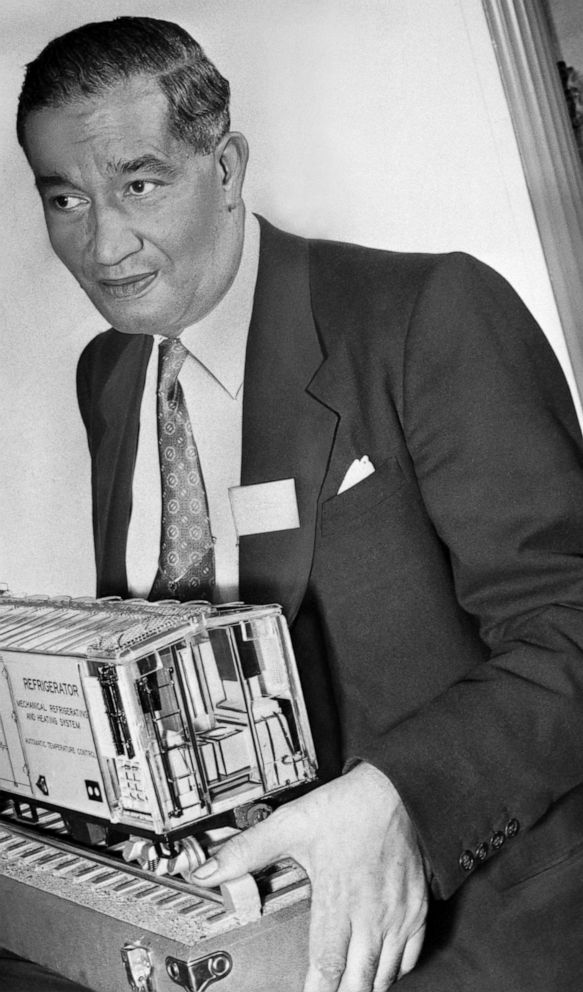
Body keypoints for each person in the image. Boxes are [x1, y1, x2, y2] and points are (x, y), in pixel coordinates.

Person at [11, 15, 583, 992]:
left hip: (484, 951)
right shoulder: (106, 378)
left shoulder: (426, 312)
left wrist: (404, 796)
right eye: (65, 198)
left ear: (226, 167)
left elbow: (569, 623)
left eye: (139, 182)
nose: (102, 242)